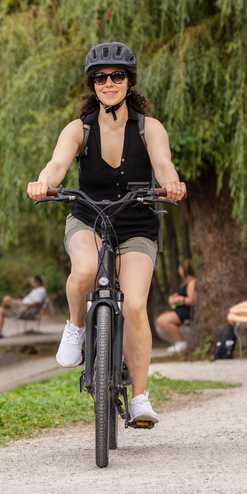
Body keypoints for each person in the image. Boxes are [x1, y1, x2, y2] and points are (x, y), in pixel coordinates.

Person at [26, 42, 187, 424]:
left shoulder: (149, 128)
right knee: (83, 272)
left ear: (129, 81)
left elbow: (163, 164)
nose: (109, 82)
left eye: (117, 75)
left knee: (133, 306)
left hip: (136, 224)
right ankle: (76, 327)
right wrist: (43, 182)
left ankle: (140, 399)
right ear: (92, 85)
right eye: (101, 77)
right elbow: (57, 164)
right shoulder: (78, 129)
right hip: (88, 219)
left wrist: (173, 183)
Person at [155, 258, 196, 353]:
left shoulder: (192, 282)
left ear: (184, 269)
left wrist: (178, 299)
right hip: (180, 310)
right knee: (161, 320)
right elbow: (181, 294)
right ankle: (179, 342)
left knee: (163, 321)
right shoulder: (185, 282)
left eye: (180, 269)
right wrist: (174, 297)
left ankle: (181, 342)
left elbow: (192, 300)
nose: (179, 271)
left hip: (187, 311)